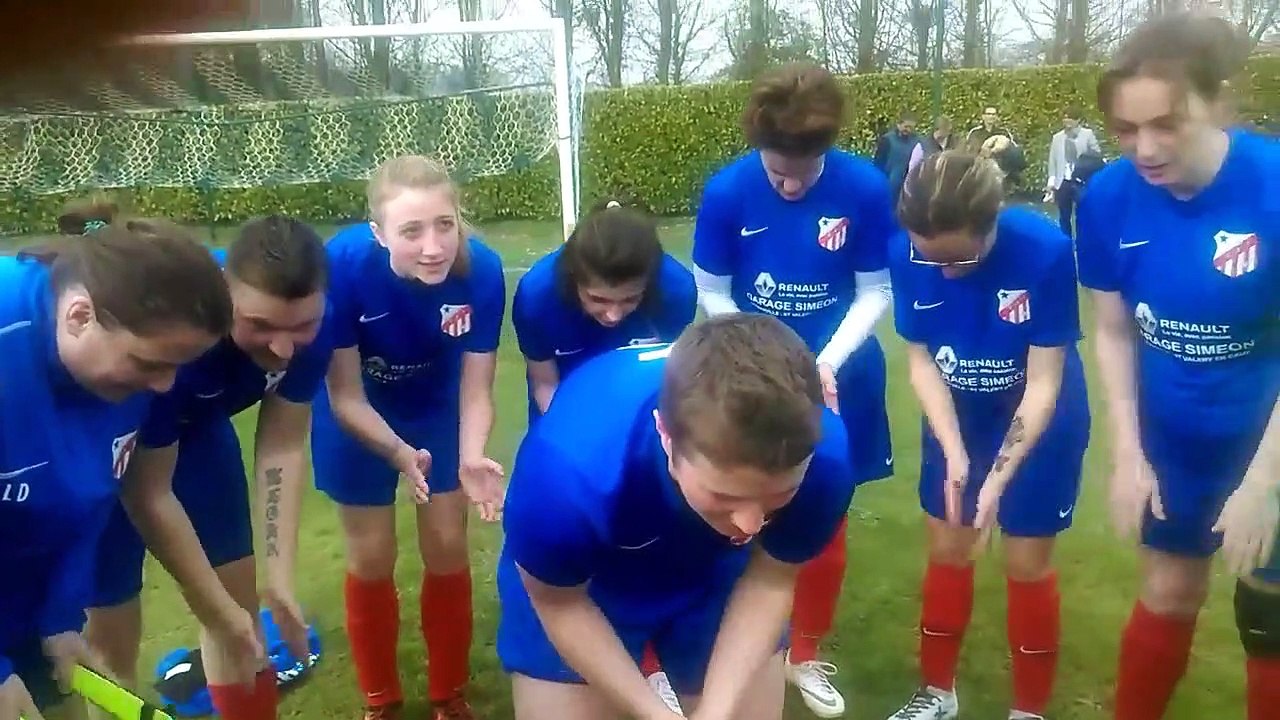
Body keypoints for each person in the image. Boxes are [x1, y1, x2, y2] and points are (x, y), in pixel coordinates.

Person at [496, 313, 857, 720]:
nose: (751, 525)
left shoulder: (824, 461)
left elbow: (769, 580)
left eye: (780, 495)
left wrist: (715, 712)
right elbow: (560, 604)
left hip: (717, 571)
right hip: (591, 580)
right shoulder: (565, 478)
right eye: (725, 495)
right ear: (666, 435)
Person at [1073, 12, 1279, 720]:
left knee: (1271, 610)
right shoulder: (1106, 199)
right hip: (1175, 440)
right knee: (1166, 595)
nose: (1145, 148)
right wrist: (1128, 453)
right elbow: (1112, 329)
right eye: (1127, 131)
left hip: (1268, 434)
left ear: (1215, 101)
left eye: (1167, 123)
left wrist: (1262, 482)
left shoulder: (1271, 187)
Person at [690, 60, 897, 719]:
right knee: (737, 509)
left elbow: (875, 291)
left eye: (800, 173)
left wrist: (821, 364)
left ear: (827, 147)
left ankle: (804, 655)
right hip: (749, 378)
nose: (786, 182)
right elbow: (713, 291)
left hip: (841, 374)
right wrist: (764, 360)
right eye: (775, 168)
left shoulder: (864, 188)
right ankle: (733, 647)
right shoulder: (726, 192)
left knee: (823, 514)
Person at [85, 215, 333, 720]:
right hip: (111, 453)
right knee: (110, 637)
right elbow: (148, 492)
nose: (282, 347)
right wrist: (217, 612)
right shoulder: (179, 342)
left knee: (241, 617)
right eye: (259, 326)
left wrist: (278, 581)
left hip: (200, 437)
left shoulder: (313, 319)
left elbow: (283, 445)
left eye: (300, 327)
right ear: (225, 294)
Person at [0, 204, 232, 720]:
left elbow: (90, 500)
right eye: (150, 363)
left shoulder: (125, 375)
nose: (165, 386)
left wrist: (59, 617)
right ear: (80, 315)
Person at [883, 151, 1090, 720]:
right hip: (958, 415)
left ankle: (1028, 709)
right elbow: (921, 361)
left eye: (960, 259)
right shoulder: (904, 252)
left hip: (1039, 421)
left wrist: (998, 474)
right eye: (934, 261)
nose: (946, 273)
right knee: (950, 547)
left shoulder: (1044, 250)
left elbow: (1046, 380)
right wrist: (954, 452)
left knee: (1026, 563)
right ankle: (937, 692)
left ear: (992, 221)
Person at [313, 154, 507, 720]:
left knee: (447, 545)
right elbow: (345, 394)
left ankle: (449, 693)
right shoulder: (343, 267)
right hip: (360, 417)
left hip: (437, 410)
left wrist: (471, 456)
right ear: (378, 233)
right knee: (370, 555)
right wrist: (398, 454)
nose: (433, 246)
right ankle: (381, 699)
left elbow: (476, 389)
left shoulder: (483, 271)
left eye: (444, 224)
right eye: (411, 231)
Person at [513, 199, 696, 424]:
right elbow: (545, 383)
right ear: (574, 279)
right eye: (598, 299)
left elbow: (665, 377)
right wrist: (572, 433)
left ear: (649, 284)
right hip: (564, 404)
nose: (613, 315)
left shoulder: (676, 292)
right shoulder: (537, 297)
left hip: (638, 406)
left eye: (630, 299)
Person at [1043, 107, 1102, 238]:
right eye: (1065, 117)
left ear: (1078, 120)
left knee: (1083, 214)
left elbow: (1097, 155)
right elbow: (1052, 161)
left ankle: (1084, 242)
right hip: (1062, 181)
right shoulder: (1057, 137)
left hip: (1081, 181)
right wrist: (1051, 182)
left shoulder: (1087, 134)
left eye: (1070, 118)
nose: (1067, 120)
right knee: (1064, 216)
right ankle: (1066, 243)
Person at [873, 112, 921, 197]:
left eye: (911, 128)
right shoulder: (887, 140)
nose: (908, 130)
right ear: (899, 125)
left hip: (908, 186)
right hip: (889, 184)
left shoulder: (917, 141)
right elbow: (878, 163)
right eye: (906, 126)